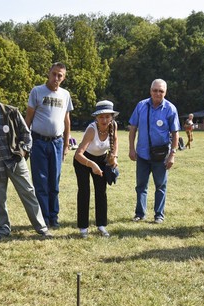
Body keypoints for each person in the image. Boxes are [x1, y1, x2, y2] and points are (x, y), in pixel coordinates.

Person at [0, 84, 51, 239]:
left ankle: (41, 228)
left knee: (28, 194)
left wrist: (22, 152)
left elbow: (26, 135)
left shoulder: (11, 112)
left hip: (15, 161)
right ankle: (3, 229)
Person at [26, 62, 73, 229]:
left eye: (60, 75)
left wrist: (66, 144)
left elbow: (67, 121)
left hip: (57, 143)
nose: (56, 78)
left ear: (64, 77)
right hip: (38, 142)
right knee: (41, 182)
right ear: (48, 73)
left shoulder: (65, 95)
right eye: (54, 74)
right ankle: (43, 218)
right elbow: (28, 119)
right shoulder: (37, 91)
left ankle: (54, 217)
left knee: (54, 182)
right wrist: (25, 142)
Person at [128, 79, 180, 223]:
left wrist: (172, 155)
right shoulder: (141, 106)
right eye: (155, 90)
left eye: (161, 91)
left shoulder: (170, 109)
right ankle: (140, 214)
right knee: (141, 186)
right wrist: (132, 148)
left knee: (161, 186)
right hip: (142, 154)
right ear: (150, 91)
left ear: (165, 92)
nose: (158, 93)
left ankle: (159, 215)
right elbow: (133, 128)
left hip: (161, 156)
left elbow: (175, 133)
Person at [73, 101, 119, 238]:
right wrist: (92, 165)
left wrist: (114, 157)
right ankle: (83, 228)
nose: (104, 120)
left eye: (107, 116)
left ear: (111, 117)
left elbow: (115, 141)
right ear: (96, 118)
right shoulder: (91, 130)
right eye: (101, 117)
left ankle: (101, 225)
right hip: (83, 161)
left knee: (101, 192)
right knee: (84, 192)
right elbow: (78, 154)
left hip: (101, 160)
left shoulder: (114, 126)